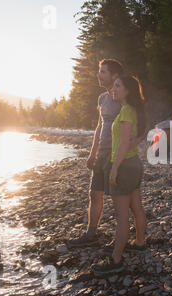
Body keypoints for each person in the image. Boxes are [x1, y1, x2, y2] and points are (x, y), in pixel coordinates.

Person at [66, 59, 144, 248]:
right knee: (94, 193)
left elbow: (142, 120)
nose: (99, 75)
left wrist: (136, 141)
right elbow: (99, 126)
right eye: (99, 71)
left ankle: (129, 241)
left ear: (114, 75)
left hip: (116, 155)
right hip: (101, 154)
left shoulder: (122, 97)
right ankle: (91, 234)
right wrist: (92, 153)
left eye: (103, 72)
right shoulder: (102, 98)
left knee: (123, 202)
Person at [92, 74, 148, 276]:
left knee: (122, 217)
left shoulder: (125, 111)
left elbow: (123, 143)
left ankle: (116, 260)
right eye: (113, 86)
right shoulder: (135, 110)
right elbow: (139, 134)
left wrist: (114, 168)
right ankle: (140, 243)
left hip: (124, 166)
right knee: (137, 208)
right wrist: (135, 143)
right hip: (134, 164)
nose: (113, 89)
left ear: (127, 90)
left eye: (117, 86)